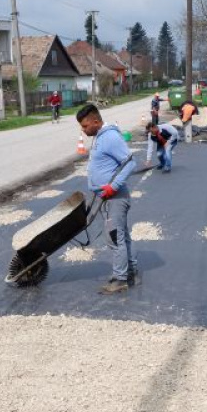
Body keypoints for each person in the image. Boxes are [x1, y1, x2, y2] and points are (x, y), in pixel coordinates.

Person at [77, 104, 138, 294]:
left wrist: (113, 186)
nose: (83, 130)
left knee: (114, 237)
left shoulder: (110, 137)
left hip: (115, 198)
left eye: (85, 126)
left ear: (96, 122)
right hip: (107, 198)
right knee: (122, 236)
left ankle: (120, 280)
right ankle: (130, 272)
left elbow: (130, 162)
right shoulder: (99, 137)